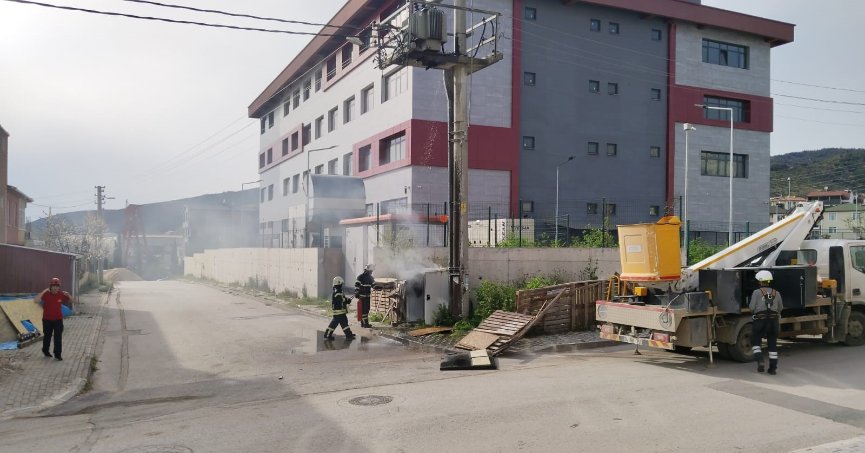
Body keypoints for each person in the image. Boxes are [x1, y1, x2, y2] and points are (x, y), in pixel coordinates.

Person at [749, 270, 783, 375]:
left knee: (755, 342)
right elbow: (780, 308)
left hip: (760, 321)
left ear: (760, 281)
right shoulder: (777, 293)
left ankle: (760, 360)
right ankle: (773, 369)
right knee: (772, 345)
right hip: (773, 322)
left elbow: (751, 307)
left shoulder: (756, 292)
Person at [34, 277, 71, 361]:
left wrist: (68, 295)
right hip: (47, 320)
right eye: (53, 286)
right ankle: (45, 350)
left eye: (57, 286)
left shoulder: (61, 294)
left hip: (58, 320)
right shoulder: (46, 294)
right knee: (47, 336)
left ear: (59, 287)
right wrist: (44, 291)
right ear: (50, 286)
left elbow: (72, 301)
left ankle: (58, 354)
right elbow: (36, 300)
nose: (55, 288)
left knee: (58, 337)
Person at [355, 264, 375, 328]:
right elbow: (357, 285)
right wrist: (356, 292)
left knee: (366, 310)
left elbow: (374, 285)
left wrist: (380, 287)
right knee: (364, 310)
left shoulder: (371, 278)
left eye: (371, 271)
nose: (371, 273)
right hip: (361, 297)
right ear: (366, 270)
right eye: (370, 271)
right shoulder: (360, 277)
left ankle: (363, 323)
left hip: (367, 297)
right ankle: (365, 324)